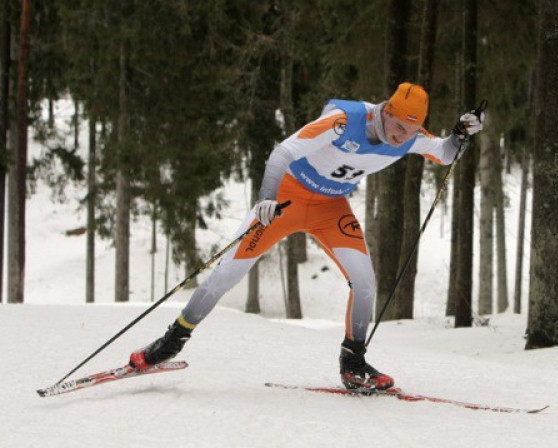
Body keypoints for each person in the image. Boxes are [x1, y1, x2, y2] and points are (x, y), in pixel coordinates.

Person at [129, 82, 484, 390]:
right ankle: (170, 342)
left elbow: (443, 152)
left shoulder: (410, 137)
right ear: (386, 111)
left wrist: (460, 133)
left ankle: (353, 364)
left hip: (331, 207)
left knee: (364, 281)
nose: (403, 136)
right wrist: (267, 197)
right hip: (288, 197)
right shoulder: (344, 121)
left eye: (412, 130)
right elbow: (283, 151)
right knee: (226, 275)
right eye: (399, 126)